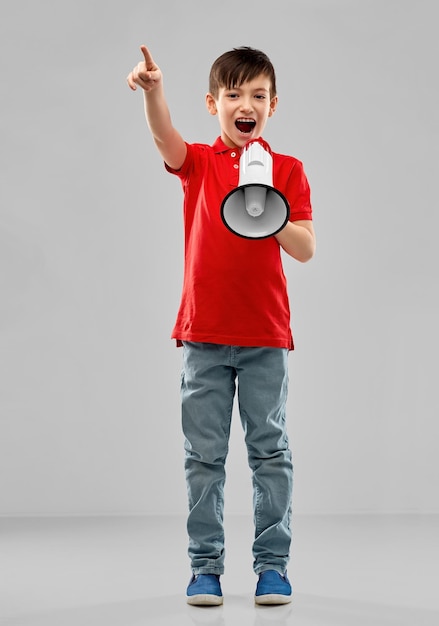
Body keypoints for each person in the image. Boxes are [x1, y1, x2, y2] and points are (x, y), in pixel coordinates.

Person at [127, 44, 315, 606]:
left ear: (272, 106)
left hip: (264, 338)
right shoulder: (202, 164)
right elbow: (165, 138)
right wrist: (154, 91)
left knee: (269, 453)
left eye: (258, 95)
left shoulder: (288, 171)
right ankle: (204, 568)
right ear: (214, 104)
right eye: (234, 94)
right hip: (204, 335)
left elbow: (304, 248)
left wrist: (266, 204)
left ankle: (272, 568)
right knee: (203, 456)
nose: (246, 103)